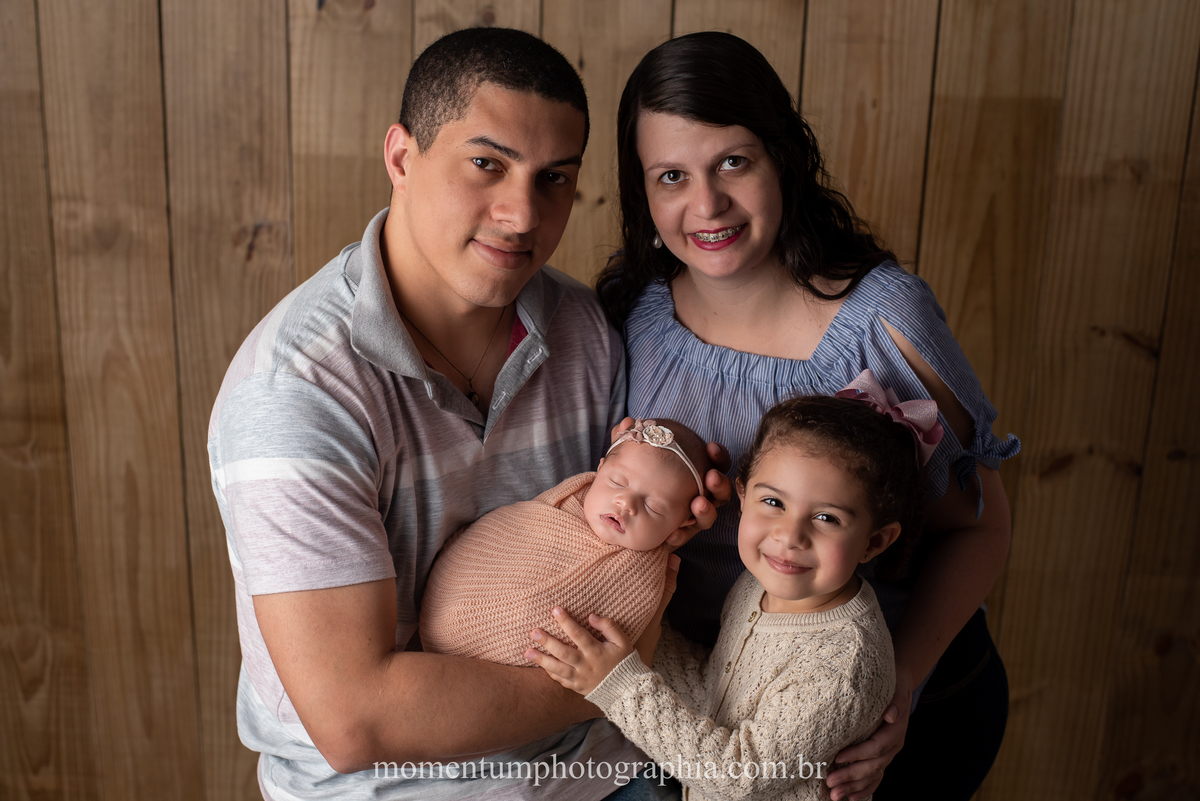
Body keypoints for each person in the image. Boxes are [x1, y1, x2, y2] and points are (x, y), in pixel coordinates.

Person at [208, 28, 723, 801]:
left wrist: (679, 513)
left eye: (554, 178)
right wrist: (625, 674)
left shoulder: (585, 329)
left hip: (605, 771)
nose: (521, 214)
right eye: (487, 164)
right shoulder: (294, 393)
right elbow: (356, 720)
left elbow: (620, 543)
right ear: (401, 158)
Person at [595, 32, 1021, 801]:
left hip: (861, 736)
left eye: (733, 161)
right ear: (643, 192)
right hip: (698, 708)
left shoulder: (881, 324)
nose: (707, 204)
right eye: (671, 176)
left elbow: (979, 525)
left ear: (783, 156)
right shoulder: (634, 308)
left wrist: (901, 693)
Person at [529, 383, 938, 800]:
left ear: (874, 542)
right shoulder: (758, 585)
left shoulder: (842, 666)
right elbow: (717, 693)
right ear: (742, 495)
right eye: (774, 503)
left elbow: (736, 775)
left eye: (826, 518)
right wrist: (630, 638)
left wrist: (618, 684)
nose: (789, 536)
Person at [421, 418, 711, 666]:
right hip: (454, 592)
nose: (626, 503)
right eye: (617, 482)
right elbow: (509, 535)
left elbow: (611, 646)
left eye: (654, 507)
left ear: (681, 525)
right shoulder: (568, 500)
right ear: (599, 469)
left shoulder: (640, 577)